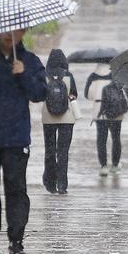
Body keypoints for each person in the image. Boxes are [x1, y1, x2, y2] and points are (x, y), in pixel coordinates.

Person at [0, 30, 46, 254]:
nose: (11, 35)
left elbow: (40, 94)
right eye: (7, 30)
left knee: (16, 188)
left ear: (24, 32)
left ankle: (16, 241)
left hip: (16, 138)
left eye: (16, 31)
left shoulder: (29, 61)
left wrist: (24, 74)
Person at [41, 49, 77, 195]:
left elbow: (39, 93)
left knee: (49, 151)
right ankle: (62, 184)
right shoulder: (68, 76)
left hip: (48, 118)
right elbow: (74, 95)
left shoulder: (44, 76)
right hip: (66, 118)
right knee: (63, 152)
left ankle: (50, 183)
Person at [85, 63, 128, 176]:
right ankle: (115, 165)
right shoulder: (118, 75)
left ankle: (103, 166)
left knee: (101, 139)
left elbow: (88, 95)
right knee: (116, 138)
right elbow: (126, 94)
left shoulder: (93, 76)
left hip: (100, 112)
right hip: (116, 112)